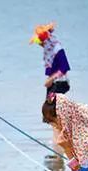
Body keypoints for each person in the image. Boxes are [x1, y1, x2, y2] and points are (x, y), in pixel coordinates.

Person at [30, 22, 71, 156]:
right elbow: (50, 68)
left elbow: (64, 67)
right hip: (53, 84)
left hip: (59, 83)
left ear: (45, 41)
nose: (40, 46)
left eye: (40, 43)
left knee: (53, 113)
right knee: (51, 113)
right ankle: (57, 140)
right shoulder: (49, 50)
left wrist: (50, 79)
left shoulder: (57, 48)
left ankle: (58, 141)